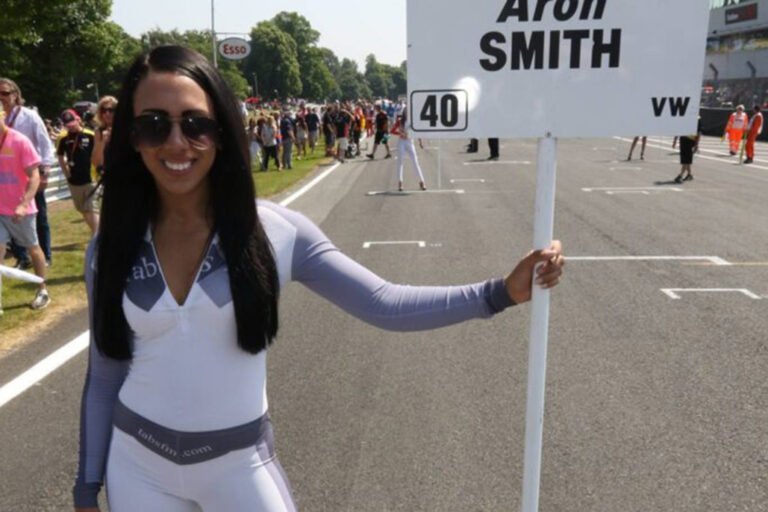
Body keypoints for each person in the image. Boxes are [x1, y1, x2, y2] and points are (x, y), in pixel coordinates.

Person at [71, 46, 565, 512]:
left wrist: (500, 293)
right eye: (154, 125)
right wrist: (86, 486)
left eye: (196, 124)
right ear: (132, 138)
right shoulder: (110, 246)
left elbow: (384, 303)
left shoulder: (275, 232)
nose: (177, 142)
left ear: (222, 132)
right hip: (139, 467)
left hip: (239, 466)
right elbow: (105, 374)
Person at [0, 78, 57, 268]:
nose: (2, 98)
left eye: (5, 93)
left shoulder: (29, 116)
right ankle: (21, 257)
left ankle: (45, 255)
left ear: (16, 95)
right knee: (9, 218)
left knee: (38, 217)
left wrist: (46, 171)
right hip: (8, 178)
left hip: (31, 172)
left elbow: (44, 142)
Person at [0, 101, 50, 309]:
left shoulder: (20, 141)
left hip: (21, 210)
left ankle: (43, 290)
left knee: (33, 248)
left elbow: (34, 177)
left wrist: (23, 204)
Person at [57, 109, 99, 235]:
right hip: (74, 180)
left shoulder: (90, 135)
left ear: (78, 119)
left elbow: (99, 153)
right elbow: (60, 156)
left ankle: (98, 238)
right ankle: (96, 234)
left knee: (92, 208)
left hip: (91, 178)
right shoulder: (63, 138)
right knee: (83, 210)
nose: (70, 126)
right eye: (67, 124)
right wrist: (66, 173)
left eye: (72, 122)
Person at [391, 110, 426, 192]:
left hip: (410, 142)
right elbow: (392, 130)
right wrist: (400, 133)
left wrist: (420, 142)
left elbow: (417, 132)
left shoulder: (413, 121)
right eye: (406, 112)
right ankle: (400, 182)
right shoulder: (400, 121)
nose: (408, 114)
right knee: (400, 162)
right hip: (402, 142)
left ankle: (422, 182)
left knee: (415, 162)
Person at [91, 95, 118, 179]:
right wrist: (102, 142)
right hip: (110, 178)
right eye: (103, 110)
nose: (107, 113)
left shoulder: (125, 128)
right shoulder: (99, 131)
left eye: (110, 110)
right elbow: (96, 163)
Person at [674, 116, 701, 183]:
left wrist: (696, 144)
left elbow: (699, 133)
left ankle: (681, 175)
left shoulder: (697, 119)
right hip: (683, 138)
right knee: (685, 159)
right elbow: (678, 128)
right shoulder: (684, 117)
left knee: (686, 159)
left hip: (690, 140)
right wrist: (675, 140)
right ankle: (689, 174)